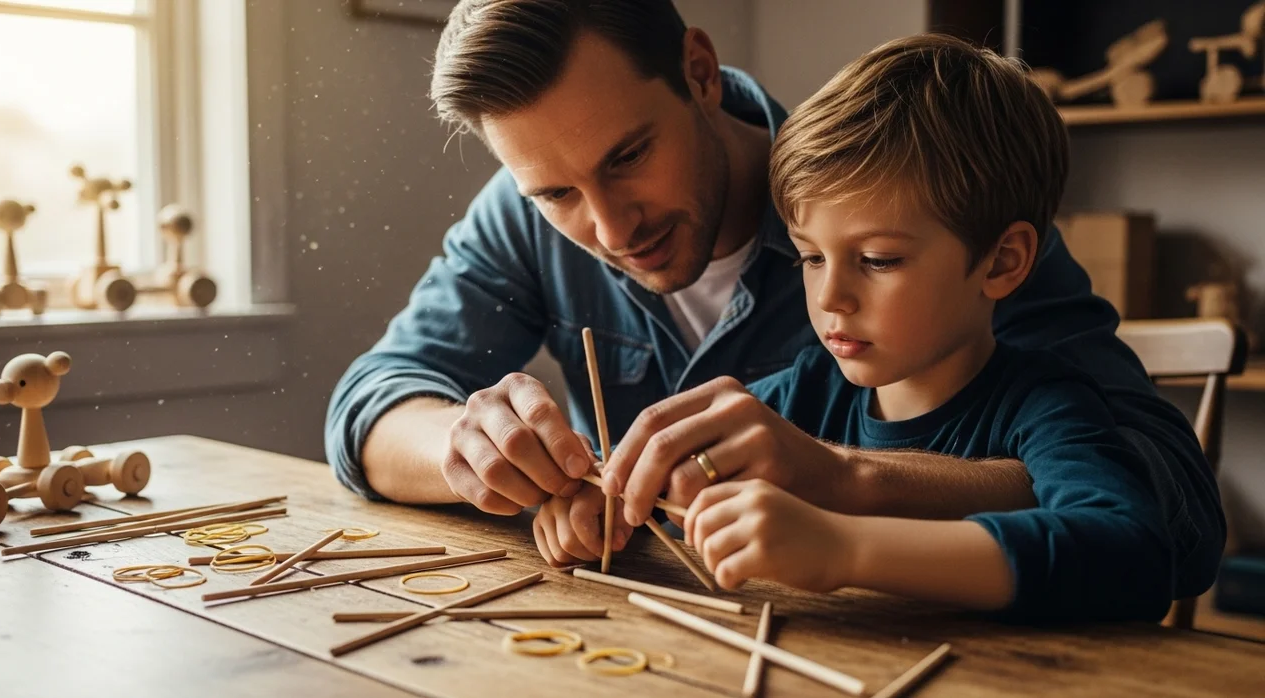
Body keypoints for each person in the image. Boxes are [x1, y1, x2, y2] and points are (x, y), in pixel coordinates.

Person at [324, 0, 1221, 605]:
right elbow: (369, 401)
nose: (607, 226)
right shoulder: (527, 215)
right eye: (555, 195)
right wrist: (485, 457)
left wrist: (848, 485)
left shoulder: (926, 195)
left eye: (629, 156)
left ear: (700, 72)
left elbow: (1168, 511)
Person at [616, 33, 1175, 622]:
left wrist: (844, 548)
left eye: (879, 260)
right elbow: (663, 488)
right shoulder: (800, 394)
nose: (831, 297)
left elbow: (1131, 555)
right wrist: (594, 499)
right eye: (810, 257)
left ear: (1002, 261)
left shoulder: (1045, 406)